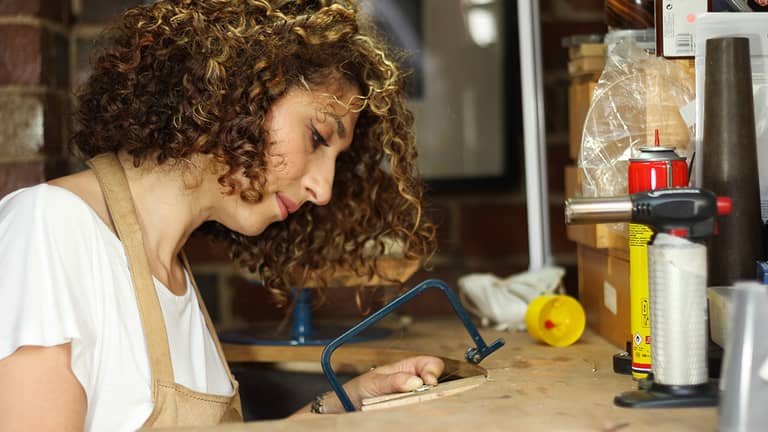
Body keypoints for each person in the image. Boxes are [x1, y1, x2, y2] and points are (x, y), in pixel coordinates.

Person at [0, 0, 444, 430]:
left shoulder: (172, 272)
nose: (323, 190)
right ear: (240, 91)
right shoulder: (49, 227)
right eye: (317, 136)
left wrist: (349, 401)